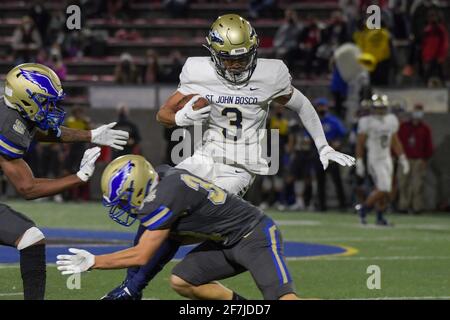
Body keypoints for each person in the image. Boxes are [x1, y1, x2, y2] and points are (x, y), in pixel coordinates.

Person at [104, 14, 355, 299]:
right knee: (156, 200)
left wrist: (323, 145)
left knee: (172, 220)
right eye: (227, 58)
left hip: (239, 167)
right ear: (212, 53)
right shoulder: (198, 71)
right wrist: (182, 117)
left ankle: (132, 289)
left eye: (242, 57)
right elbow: (163, 115)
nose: (236, 65)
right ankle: (129, 288)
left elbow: (302, 105)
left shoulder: (270, 75)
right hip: (204, 156)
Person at [56, 155, 299, 300]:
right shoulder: (161, 179)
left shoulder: (165, 197)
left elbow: (142, 254)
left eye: (122, 200)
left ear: (137, 188)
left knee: (284, 299)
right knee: (183, 280)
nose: (122, 207)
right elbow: (164, 239)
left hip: (253, 235)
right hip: (224, 241)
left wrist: (94, 261)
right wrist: (132, 287)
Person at [0, 63, 129, 299]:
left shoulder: (12, 111)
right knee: (30, 237)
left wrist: (90, 135)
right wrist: (78, 177)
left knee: (30, 238)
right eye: (45, 101)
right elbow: (27, 188)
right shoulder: (7, 126)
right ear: (26, 98)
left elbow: (39, 132)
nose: (51, 107)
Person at [355, 94, 409, 225]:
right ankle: (364, 209)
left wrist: (402, 157)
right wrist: (359, 161)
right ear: (373, 108)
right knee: (384, 188)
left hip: (386, 158)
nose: (380, 110)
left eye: (382, 107)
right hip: (374, 158)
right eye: (378, 108)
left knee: (386, 189)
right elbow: (360, 143)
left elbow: (395, 141)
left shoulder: (391, 119)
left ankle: (379, 217)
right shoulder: (366, 121)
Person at [311, 98, 348, 211]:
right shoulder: (313, 121)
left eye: (323, 106)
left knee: (336, 179)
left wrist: (339, 143)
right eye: (319, 106)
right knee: (320, 180)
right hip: (318, 151)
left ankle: (343, 205)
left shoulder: (333, 121)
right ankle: (322, 206)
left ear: (327, 107)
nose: (321, 108)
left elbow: (343, 134)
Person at [397, 104, 433, 213]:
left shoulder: (425, 128)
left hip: (418, 160)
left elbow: (429, 145)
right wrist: (398, 156)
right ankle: (403, 206)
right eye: (416, 111)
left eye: (419, 111)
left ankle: (417, 207)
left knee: (417, 185)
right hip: (404, 159)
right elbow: (397, 142)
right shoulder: (403, 126)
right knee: (403, 183)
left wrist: (425, 159)